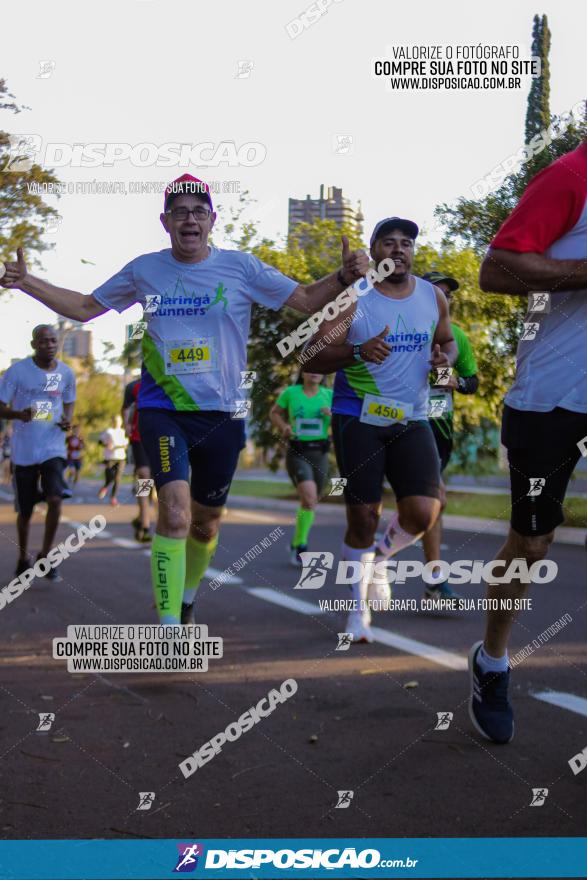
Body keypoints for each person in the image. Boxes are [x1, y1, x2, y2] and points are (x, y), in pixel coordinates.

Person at [1, 173, 369, 625]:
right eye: (180, 212)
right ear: (165, 221)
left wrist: (344, 276)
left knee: (205, 522)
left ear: (212, 220)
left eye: (198, 212)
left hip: (222, 416)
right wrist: (27, 282)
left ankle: (188, 595)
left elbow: (309, 300)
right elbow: (83, 307)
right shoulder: (145, 269)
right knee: (174, 512)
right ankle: (170, 622)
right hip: (164, 410)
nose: (190, 220)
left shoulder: (242, 268)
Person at [469, 140, 587, 744]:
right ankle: (492, 662)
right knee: (532, 543)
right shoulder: (570, 177)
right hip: (555, 394)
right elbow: (498, 270)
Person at [303, 217, 457, 642]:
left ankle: (381, 556)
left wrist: (445, 368)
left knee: (424, 513)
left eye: (406, 243)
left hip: (412, 417)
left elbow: (445, 345)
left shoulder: (431, 297)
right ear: (373, 252)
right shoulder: (355, 297)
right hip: (359, 418)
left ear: (412, 252)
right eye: (388, 243)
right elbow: (310, 356)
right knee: (363, 517)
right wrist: (357, 351)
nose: (398, 250)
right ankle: (356, 615)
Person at [0, 325, 75, 580]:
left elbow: (69, 401)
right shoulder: (17, 372)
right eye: (44, 341)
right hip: (24, 450)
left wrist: (67, 419)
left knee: (55, 498)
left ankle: (45, 555)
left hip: (53, 446)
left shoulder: (66, 373)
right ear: (34, 345)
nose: (50, 345)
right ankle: (23, 557)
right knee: (26, 511)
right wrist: (20, 414)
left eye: (53, 341)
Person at [421, 271, 479, 600]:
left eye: (448, 295)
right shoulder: (409, 330)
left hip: (441, 430)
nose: (444, 299)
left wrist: (457, 383)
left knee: (430, 506)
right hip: (408, 426)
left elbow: (473, 382)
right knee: (435, 499)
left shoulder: (458, 336)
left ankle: (431, 577)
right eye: (436, 293)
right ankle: (374, 556)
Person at [270, 371, 333, 565]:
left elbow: (342, 420)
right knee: (309, 497)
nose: (315, 373)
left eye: (319, 369)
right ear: (303, 372)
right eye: (310, 368)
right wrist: (284, 428)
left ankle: (296, 541)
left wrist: (331, 415)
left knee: (310, 504)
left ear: (323, 375)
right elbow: (274, 413)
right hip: (298, 453)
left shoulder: (329, 395)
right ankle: (302, 545)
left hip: (321, 453)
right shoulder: (291, 392)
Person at [122, 377, 153, 542]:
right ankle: (146, 525)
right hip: (139, 436)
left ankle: (141, 517)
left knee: (158, 484)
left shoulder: (168, 380)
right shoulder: (133, 386)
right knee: (144, 475)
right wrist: (126, 424)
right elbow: (125, 408)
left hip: (162, 437)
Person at [98, 415, 128, 507]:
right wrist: (106, 444)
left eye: (118, 420)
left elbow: (126, 445)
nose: (117, 422)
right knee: (109, 478)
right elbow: (100, 442)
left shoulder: (124, 432)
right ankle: (105, 487)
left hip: (121, 458)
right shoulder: (108, 431)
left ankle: (113, 498)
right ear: (112, 422)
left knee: (117, 479)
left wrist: (119, 446)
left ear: (121, 422)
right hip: (109, 458)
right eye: (115, 420)